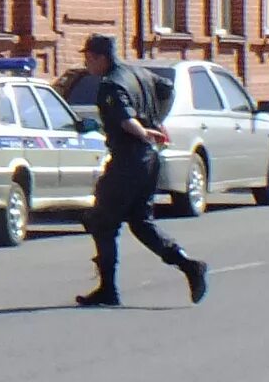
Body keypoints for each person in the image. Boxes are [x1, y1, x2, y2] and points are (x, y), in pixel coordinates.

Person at [75, 33, 206, 309]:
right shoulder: (139, 74)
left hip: (128, 160)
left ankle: (108, 289)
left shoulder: (111, 85)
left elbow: (125, 120)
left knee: (102, 221)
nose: (87, 64)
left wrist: (145, 130)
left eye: (88, 58)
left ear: (100, 58)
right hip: (148, 160)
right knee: (140, 222)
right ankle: (188, 264)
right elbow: (167, 88)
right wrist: (158, 120)